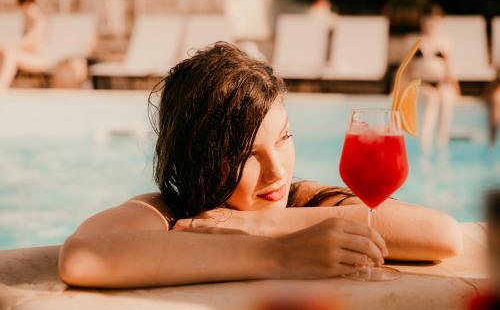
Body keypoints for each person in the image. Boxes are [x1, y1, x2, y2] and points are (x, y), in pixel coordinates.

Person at [58, 42, 462, 288]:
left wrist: (255, 225)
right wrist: (280, 256)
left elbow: (442, 234)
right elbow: (83, 256)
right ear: (199, 156)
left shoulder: (305, 200)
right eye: (248, 155)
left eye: (284, 139)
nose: (278, 173)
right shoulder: (170, 213)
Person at [409, 6, 460, 155]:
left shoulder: (445, 42)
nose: (431, 25)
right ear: (422, 22)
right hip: (422, 84)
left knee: (446, 99)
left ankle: (441, 145)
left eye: (434, 22)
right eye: (428, 21)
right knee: (431, 100)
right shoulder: (414, 41)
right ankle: (425, 147)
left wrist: (455, 88)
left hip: (441, 84)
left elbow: (450, 69)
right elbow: (406, 70)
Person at [0, 0, 48, 91]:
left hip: (38, 60)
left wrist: (8, 45)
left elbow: (28, 44)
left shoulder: (40, 21)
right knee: (5, 52)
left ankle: (2, 87)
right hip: (26, 56)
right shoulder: (28, 21)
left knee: (10, 55)